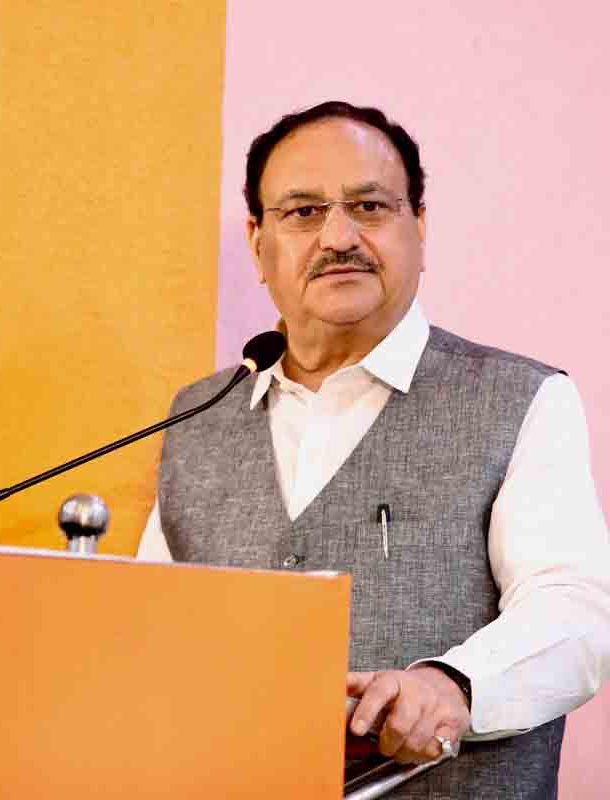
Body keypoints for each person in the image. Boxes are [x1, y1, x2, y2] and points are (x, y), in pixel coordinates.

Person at [136, 101, 610, 798]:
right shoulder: (196, 417)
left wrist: (453, 685)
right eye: (302, 212)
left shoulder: (520, 399)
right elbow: (151, 639)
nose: (338, 236)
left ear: (419, 228)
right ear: (257, 241)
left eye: (369, 206)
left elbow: (575, 610)